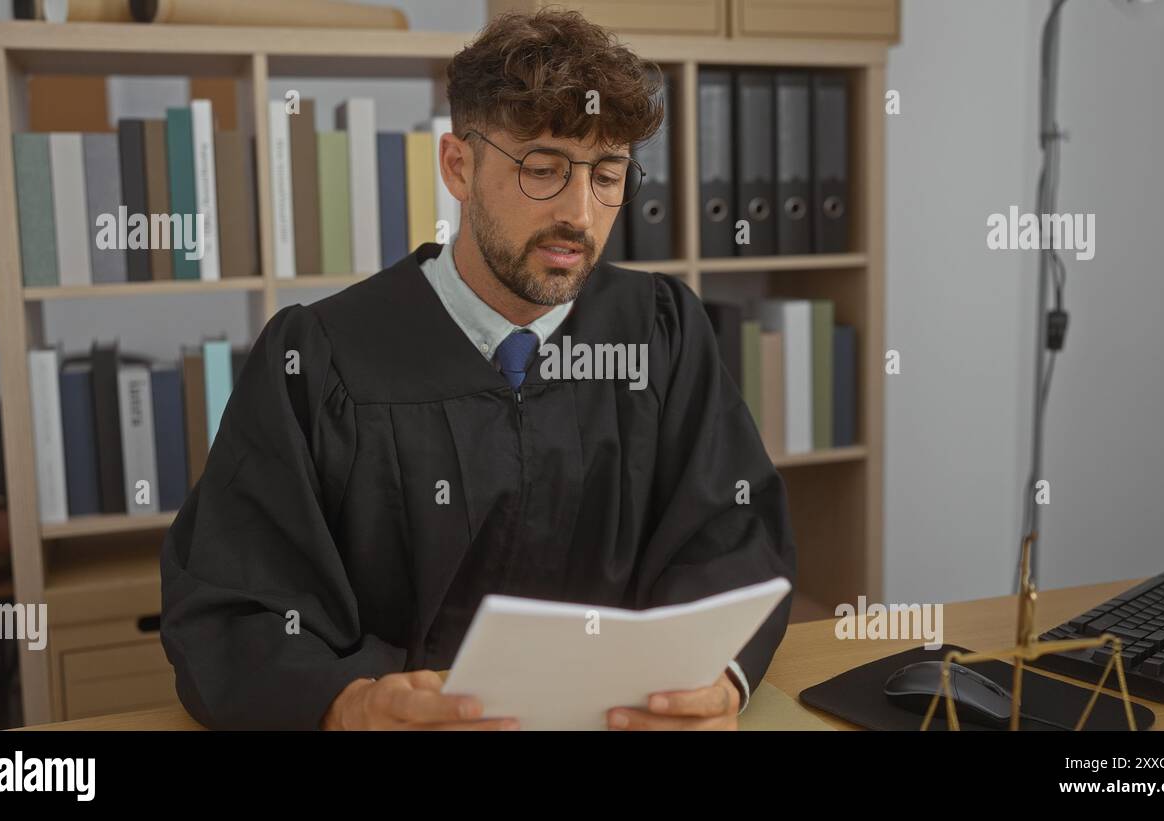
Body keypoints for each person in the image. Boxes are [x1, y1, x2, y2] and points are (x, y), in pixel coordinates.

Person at [160, 8, 796, 730]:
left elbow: (734, 537)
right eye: (544, 169)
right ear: (459, 167)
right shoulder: (318, 358)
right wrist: (348, 703)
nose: (580, 216)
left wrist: (717, 683)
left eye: (607, 174)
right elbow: (234, 601)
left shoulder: (662, 333)